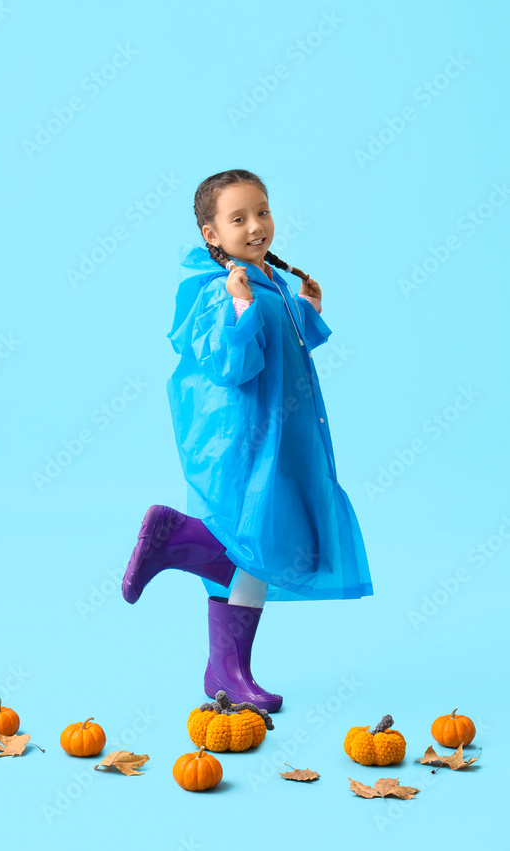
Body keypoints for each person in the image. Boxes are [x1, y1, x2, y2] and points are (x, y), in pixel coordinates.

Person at [122, 169, 373, 712]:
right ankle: (173, 539)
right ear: (211, 234)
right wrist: (238, 306)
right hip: (244, 440)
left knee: (258, 544)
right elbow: (233, 364)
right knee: (258, 545)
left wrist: (306, 309)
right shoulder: (219, 288)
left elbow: (281, 349)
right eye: (238, 218)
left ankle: (225, 672)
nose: (256, 226)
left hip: (278, 438)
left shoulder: (265, 280)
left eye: (262, 211)